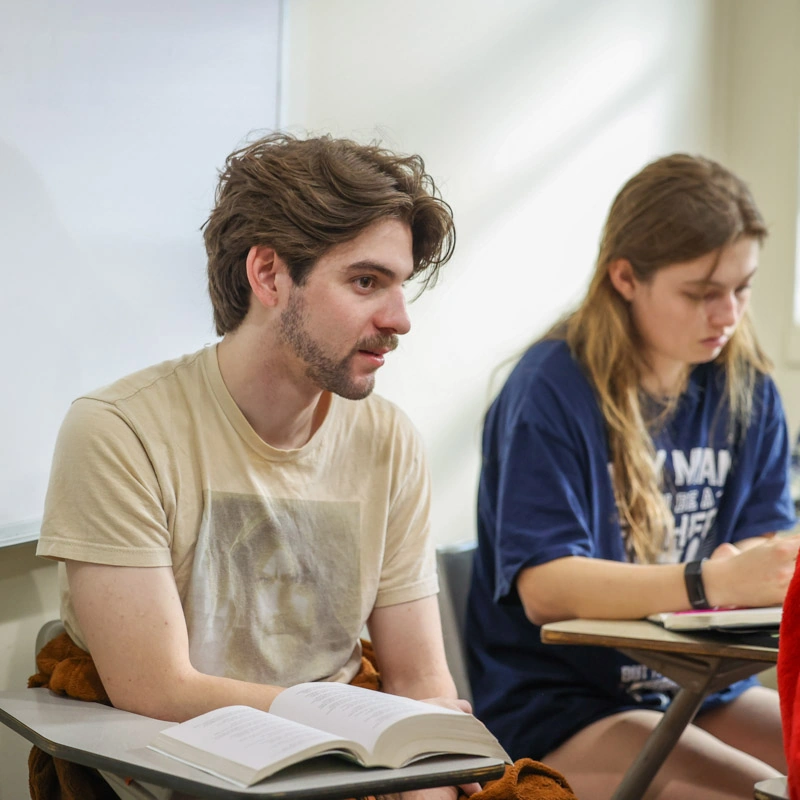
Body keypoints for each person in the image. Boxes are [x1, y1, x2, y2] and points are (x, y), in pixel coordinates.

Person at [35, 132, 478, 799]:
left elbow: (421, 683)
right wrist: (358, 731)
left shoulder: (389, 440)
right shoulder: (119, 430)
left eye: (400, 285)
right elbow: (156, 687)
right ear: (269, 274)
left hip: (355, 771)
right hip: (189, 769)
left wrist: (424, 762)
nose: (399, 319)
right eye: (365, 281)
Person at [467, 153, 800, 800]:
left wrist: (763, 570)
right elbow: (545, 587)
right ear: (624, 277)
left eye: (743, 288)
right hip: (565, 705)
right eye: (701, 293)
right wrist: (711, 582)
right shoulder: (551, 389)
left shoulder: (747, 388)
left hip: (705, 688)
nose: (727, 315)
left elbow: (768, 555)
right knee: (755, 795)